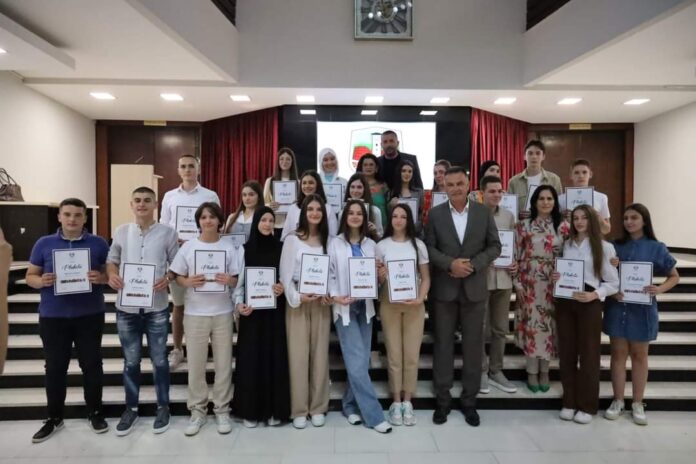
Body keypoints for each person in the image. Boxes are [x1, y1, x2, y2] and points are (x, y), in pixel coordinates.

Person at [26, 198, 110, 443]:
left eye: (78, 215)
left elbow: (110, 274)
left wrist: (101, 278)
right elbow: (30, 275)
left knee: (92, 365)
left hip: (89, 315)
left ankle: (95, 413)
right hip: (53, 316)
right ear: (59, 217)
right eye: (67, 214)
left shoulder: (98, 243)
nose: (72, 219)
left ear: (85, 218)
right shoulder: (44, 243)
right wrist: (41, 281)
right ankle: (54, 417)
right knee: (54, 368)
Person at [425, 167, 501, 427]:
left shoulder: (483, 212)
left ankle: (469, 401)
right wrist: (450, 264)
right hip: (444, 290)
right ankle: (442, 400)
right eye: (451, 184)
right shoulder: (435, 214)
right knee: (443, 345)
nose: (456, 188)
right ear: (444, 187)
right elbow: (429, 247)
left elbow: (495, 246)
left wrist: (473, 265)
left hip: (474, 289)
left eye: (460, 183)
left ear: (468, 185)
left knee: (473, 347)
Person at [106, 187, 178, 436]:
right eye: (137, 200)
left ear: (155, 205)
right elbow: (112, 260)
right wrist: (112, 275)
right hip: (126, 308)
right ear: (131, 204)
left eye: (147, 200)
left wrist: (168, 277)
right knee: (131, 361)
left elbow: (176, 265)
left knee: (160, 360)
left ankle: (163, 407)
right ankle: (131, 409)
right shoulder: (121, 231)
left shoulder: (168, 233)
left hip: (156, 307)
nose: (142, 204)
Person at [169, 202, 243, 436]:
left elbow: (237, 279)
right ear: (198, 221)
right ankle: (197, 411)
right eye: (203, 217)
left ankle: (222, 410)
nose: (208, 221)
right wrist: (187, 281)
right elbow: (177, 275)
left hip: (222, 313)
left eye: (212, 217)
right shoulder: (189, 247)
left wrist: (230, 281)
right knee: (196, 365)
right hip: (195, 314)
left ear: (220, 220)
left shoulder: (229, 247)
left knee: (223, 365)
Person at [603, 204, 679, 425]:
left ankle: (637, 402)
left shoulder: (656, 247)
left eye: (634, 218)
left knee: (639, 355)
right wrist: (611, 281)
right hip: (618, 306)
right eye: (626, 218)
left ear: (644, 220)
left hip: (643, 309)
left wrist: (659, 289)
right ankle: (618, 400)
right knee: (618, 354)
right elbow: (602, 273)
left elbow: (674, 276)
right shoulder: (614, 246)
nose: (629, 222)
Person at [328, 200, 392, 433]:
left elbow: (376, 278)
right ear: (345, 217)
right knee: (356, 360)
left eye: (359, 213)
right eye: (351, 213)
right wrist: (336, 296)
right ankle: (374, 416)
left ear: (365, 219)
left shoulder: (371, 245)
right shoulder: (335, 243)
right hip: (344, 308)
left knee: (361, 361)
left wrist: (381, 275)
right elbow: (330, 275)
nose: (355, 216)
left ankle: (349, 405)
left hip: (365, 308)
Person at [553, 205, 619, 424]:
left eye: (584, 218)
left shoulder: (605, 247)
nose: (579, 222)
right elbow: (564, 272)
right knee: (567, 354)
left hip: (589, 302)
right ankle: (569, 402)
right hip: (566, 301)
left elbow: (613, 283)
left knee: (589, 355)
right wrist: (557, 277)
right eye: (576, 218)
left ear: (592, 220)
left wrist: (595, 295)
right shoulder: (567, 244)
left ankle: (587, 405)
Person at [160, 154, 221, 371]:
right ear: (178, 170)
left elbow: (217, 224)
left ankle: (211, 349)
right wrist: (174, 239)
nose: (187, 170)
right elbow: (164, 227)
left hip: (205, 258)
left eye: (191, 166)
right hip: (178, 257)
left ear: (199, 169)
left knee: (207, 301)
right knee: (178, 305)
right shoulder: (169, 196)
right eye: (183, 166)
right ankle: (177, 349)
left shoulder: (210, 195)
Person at [232, 207, 290, 427]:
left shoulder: (281, 248)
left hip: (275, 314)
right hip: (252, 315)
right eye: (263, 220)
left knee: (275, 359)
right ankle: (250, 411)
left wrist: (281, 287)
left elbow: (286, 278)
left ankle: (274, 411)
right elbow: (239, 285)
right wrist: (239, 304)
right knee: (251, 361)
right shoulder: (244, 250)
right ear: (256, 222)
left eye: (270, 220)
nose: (267, 224)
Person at [279, 194, 332, 429]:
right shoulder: (292, 240)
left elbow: (332, 272)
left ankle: (318, 406)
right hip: (298, 302)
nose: (314, 213)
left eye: (318, 209)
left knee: (320, 354)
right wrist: (297, 296)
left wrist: (328, 292)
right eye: (310, 209)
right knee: (298, 355)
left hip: (321, 303)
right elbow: (285, 275)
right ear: (304, 213)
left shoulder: (329, 241)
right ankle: (299, 408)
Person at [376, 204, 430, 427]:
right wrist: (380, 275)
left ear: (409, 220)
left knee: (411, 355)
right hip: (389, 303)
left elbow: (426, 277)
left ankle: (408, 401)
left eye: (403, 216)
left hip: (414, 305)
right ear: (390, 220)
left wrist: (420, 298)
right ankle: (396, 402)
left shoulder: (418, 245)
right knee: (394, 354)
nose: (399, 220)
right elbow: (376, 280)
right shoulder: (381, 246)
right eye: (395, 216)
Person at [513, 185, 570, 393]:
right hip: (529, 281)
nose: (546, 202)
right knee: (531, 326)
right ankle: (531, 372)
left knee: (548, 327)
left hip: (553, 283)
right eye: (541, 198)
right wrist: (517, 283)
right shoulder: (523, 225)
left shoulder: (563, 226)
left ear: (555, 202)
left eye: (550, 198)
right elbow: (515, 255)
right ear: (535, 202)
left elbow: (571, 255)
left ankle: (545, 371)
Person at [478, 176, 518, 395]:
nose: (496, 194)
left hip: (503, 278)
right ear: (482, 192)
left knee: (500, 328)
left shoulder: (508, 216)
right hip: (481, 279)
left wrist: (514, 262)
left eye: (499, 191)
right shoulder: (474, 214)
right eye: (492, 191)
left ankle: (496, 370)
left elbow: (514, 246)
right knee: (479, 327)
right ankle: (481, 371)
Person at [508, 140, 563, 219]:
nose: (534, 157)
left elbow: (559, 207)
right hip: (523, 224)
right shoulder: (513, 182)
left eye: (538, 153)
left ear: (543, 156)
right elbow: (510, 210)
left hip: (548, 224)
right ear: (524, 156)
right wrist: (518, 215)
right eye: (530, 153)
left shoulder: (554, 179)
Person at [280, 170, 338, 241]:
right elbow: (286, 234)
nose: (307, 186)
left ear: (318, 185)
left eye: (311, 183)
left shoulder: (328, 208)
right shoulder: (293, 208)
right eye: (304, 183)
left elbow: (333, 236)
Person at [558, 159, 611, 235]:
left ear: (590, 174)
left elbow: (607, 230)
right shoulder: (560, 199)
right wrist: (562, 218)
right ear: (571, 176)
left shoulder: (601, 197)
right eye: (576, 173)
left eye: (584, 172)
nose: (581, 176)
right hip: (569, 240)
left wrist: (597, 217)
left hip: (593, 240)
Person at [264, 147, 300, 239]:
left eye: (288, 159)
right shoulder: (270, 181)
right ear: (278, 161)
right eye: (281, 159)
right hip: (276, 225)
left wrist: (297, 204)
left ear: (292, 162)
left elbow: (302, 205)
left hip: (293, 226)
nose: (285, 161)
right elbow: (263, 204)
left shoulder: (298, 183)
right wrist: (270, 205)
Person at [388, 160, 424, 235]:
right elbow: (389, 216)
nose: (407, 174)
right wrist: (391, 206)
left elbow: (422, 214)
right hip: (397, 232)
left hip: (416, 232)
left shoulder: (419, 192)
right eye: (403, 171)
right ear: (399, 173)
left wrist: (416, 226)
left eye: (410, 171)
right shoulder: (391, 193)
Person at [343, 173, 384, 240]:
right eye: (352, 187)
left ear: (365, 189)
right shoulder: (342, 212)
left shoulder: (375, 211)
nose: (355, 191)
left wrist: (375, 233)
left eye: (359, 187)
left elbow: (381, 238)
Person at [356, 153, 389, 229]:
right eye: (365, 165)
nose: (368, 167)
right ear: (361, 168)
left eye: (371, 165)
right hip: (360, 227)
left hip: (382, 227)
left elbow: (389, 207)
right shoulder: (355, 186)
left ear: (376, 168)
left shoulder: (383, 186)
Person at [422, 159, 451, 225]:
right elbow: (424, 219)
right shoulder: (428, 195)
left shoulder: (454, 194)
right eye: (435, 173)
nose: (437, 175)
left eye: (441, 172)